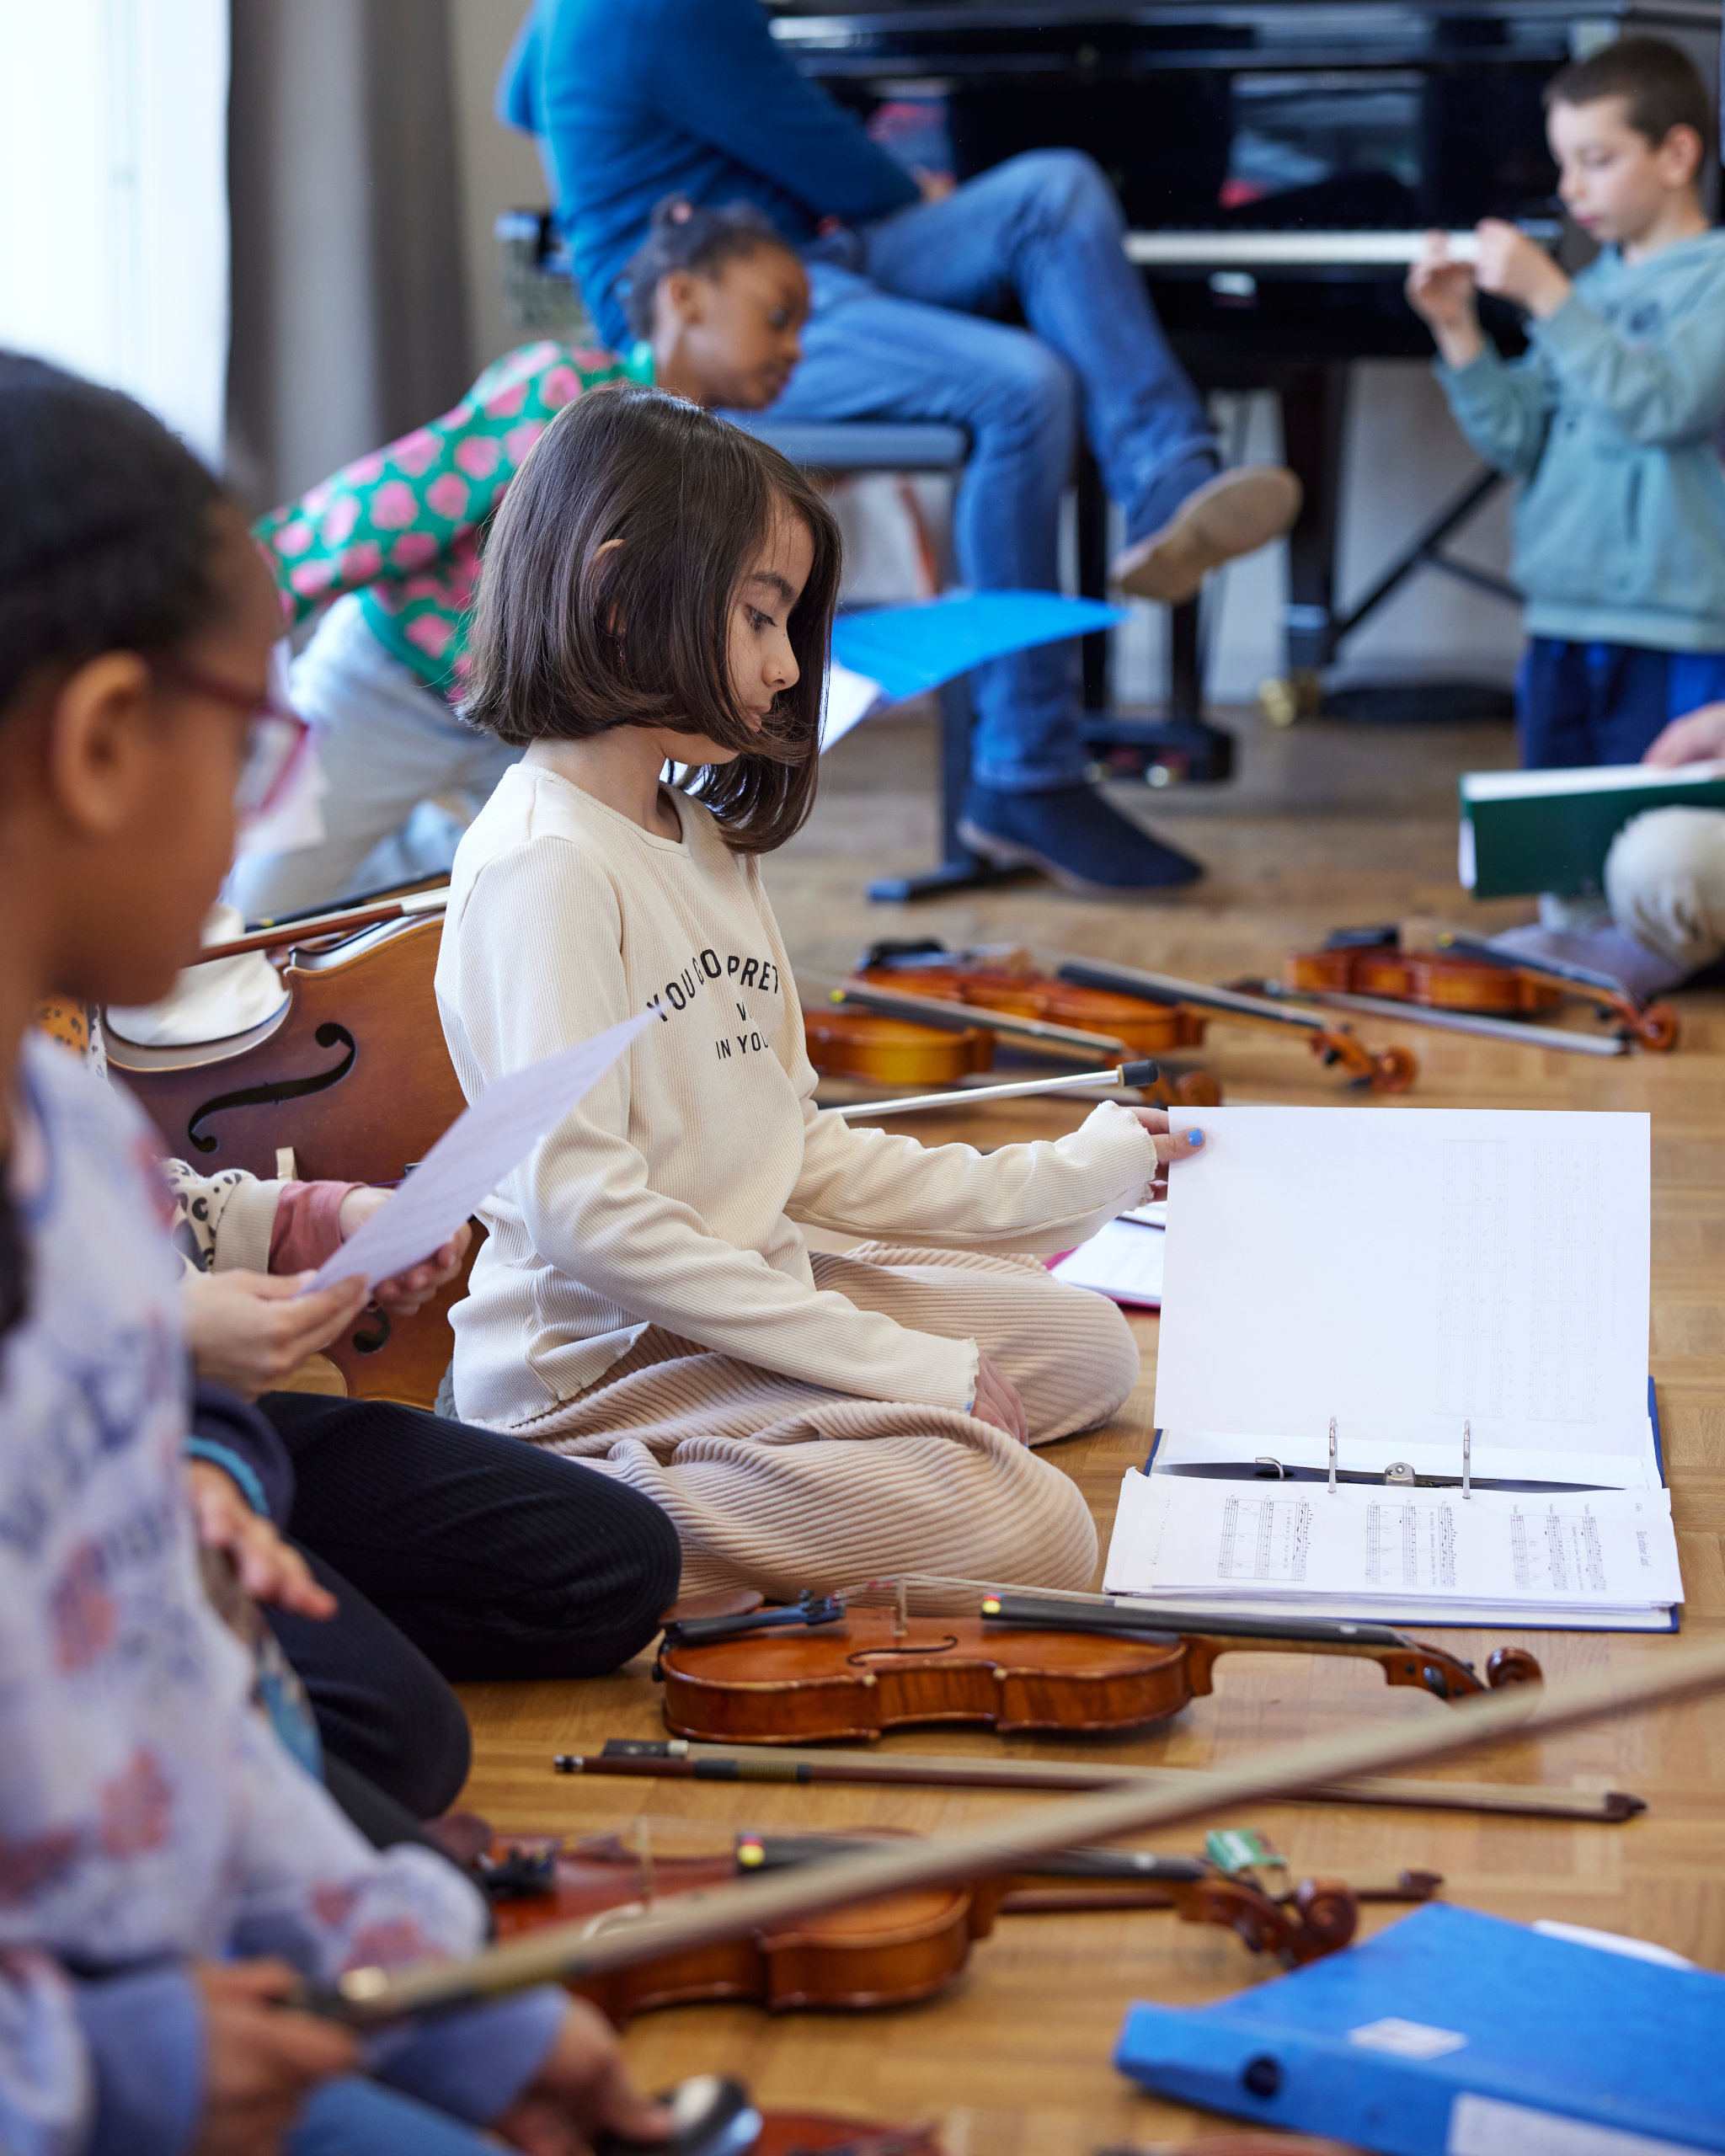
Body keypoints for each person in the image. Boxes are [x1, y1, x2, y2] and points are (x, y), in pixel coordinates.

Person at [0, 349, 670, 2156]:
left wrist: (445, 2004)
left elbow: (172, 1684)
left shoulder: (65, 1140)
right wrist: (98, 2070)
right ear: (104, 741)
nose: (267, 807)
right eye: (258, 739)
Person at [435, 387, 1204, 1603]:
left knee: (1087, 1348)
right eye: (758, 618)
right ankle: (571, 1519)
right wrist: (897, 1365)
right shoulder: (544, 867)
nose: (787, 667)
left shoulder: (698, 835)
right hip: (598, 1374)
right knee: (1038, 1531)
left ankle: (801, 1444)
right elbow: (588, 1217)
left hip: (735, 1297)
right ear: (621, 595)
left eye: (787, 622)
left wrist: (1071, 1175)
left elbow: (793, 1150)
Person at [499, 0, 1304, 899]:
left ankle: (1167, 478)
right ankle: (1024, 772)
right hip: (722, 297)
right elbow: (840, 166)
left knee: (1056, 189)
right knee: (1020, 386)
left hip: (807, 251)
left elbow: (520, 97)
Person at [231, 198, 812, 921]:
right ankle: (399, 842)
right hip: (390, 681)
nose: (796, 348)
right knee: (252, 911)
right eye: (779, 317)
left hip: (532, 720)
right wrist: (255, 587)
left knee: (547, 898)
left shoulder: (717, 477)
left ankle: (427, 843)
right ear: (685, 297)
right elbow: (401, 498)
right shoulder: (561, 390)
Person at [168, 1150, 680, 1824]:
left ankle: (302, 1630)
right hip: (76, 1476)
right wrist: (157, 1337)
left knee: (624, 1563)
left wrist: (333, 1220)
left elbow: (148, 1202)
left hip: (202, 1415)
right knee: (400, 1743)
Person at [1407, 35, 1725, 960]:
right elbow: (1518, 439)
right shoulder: (1586, 290)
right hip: (1561, 612)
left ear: (1674, 154)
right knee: (1562, 834)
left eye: (1596, 159)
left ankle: (1654, 962)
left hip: (1673, 623)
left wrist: (1547, 297)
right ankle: (1582, 964)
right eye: (1562, 165)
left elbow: (1661, 403)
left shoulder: (1712, 284)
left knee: (1646, 822)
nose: (1571, 187)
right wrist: (1459, 330)